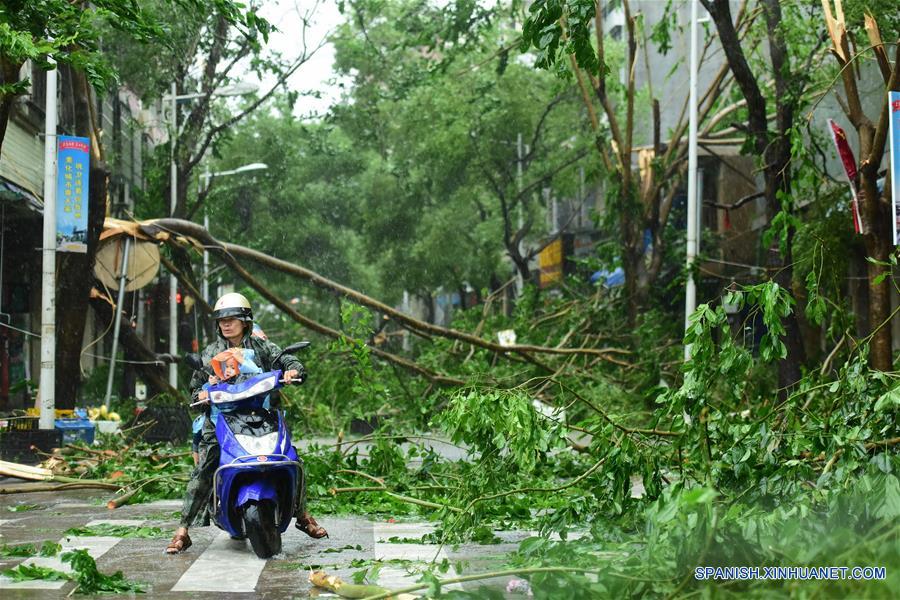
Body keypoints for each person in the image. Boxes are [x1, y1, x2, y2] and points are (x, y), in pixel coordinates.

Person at [166, 292, 328, 554]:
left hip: (260, 415)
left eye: (232, 319)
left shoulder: (261, 346)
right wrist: (203, 393)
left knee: (291, 458)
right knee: (205, 467)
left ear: (246, 321)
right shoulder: (210, 354)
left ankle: (303, 515)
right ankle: (183, 530)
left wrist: (292, 369)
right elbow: (194, 392)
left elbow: (284, 359)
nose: (226, 324)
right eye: (222, 320)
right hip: (221, 420)